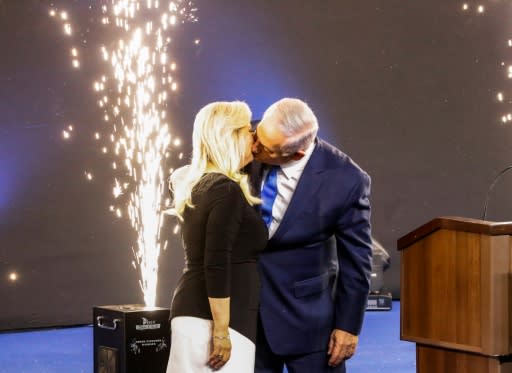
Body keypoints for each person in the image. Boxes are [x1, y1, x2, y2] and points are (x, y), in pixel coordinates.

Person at [249, 98, 372, 373]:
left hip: (307, 319)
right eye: (257, 135)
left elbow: (357, 261)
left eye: (265, 148)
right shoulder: (248, 138)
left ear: (296, 154)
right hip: (246, 317)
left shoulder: (346, 180)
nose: (253, 147)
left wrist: (348, 326)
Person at [166, 101, 267, 372]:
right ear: (230, 136)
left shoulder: (197, 183)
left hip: (199, 316)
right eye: (248, 131)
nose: (254, 138)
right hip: (213, 324)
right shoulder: (226, 190)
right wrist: (221, 332)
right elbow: (216, 263)